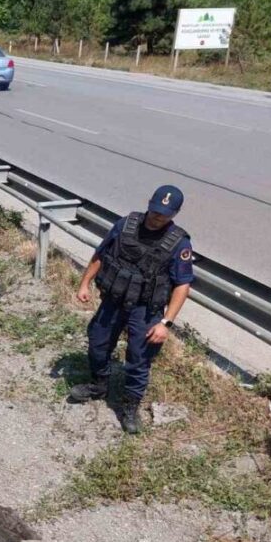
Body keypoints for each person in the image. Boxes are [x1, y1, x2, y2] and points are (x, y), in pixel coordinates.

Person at [68, 185, 194, 434]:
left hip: (146, 309)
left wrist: (165, 323)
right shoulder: (127, 224)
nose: (158, 217)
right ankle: (99, 385)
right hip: (114, 299)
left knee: (139, 358)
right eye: (155, 211)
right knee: (97, 342)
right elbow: (101, 255)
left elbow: (182, 285)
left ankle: (129, 406)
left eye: (164, 214)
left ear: (175, 213)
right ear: (149, 203)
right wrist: (84, 283)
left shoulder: (179, 243)